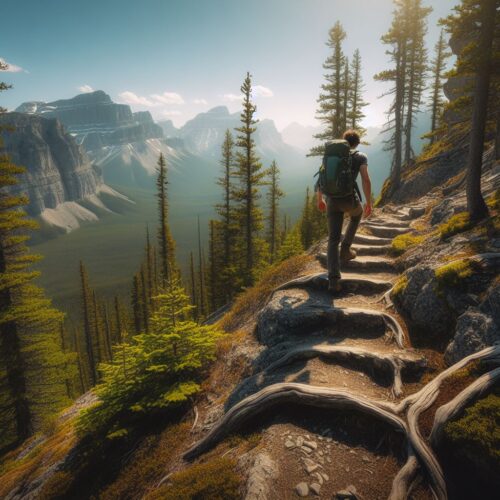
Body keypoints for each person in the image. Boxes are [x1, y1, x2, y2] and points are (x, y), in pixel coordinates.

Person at [317, 130, 372, 292]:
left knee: (333, 239)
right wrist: (368, 202)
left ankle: (333, 281)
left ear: (343, 141)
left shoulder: (331, 156)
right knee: (357, 215)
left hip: (331, 200)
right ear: (357, 143)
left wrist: (319, 199)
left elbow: (321, 176)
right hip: (349, 200)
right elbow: (365, 179)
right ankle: (346, 249)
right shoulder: (360, 156)